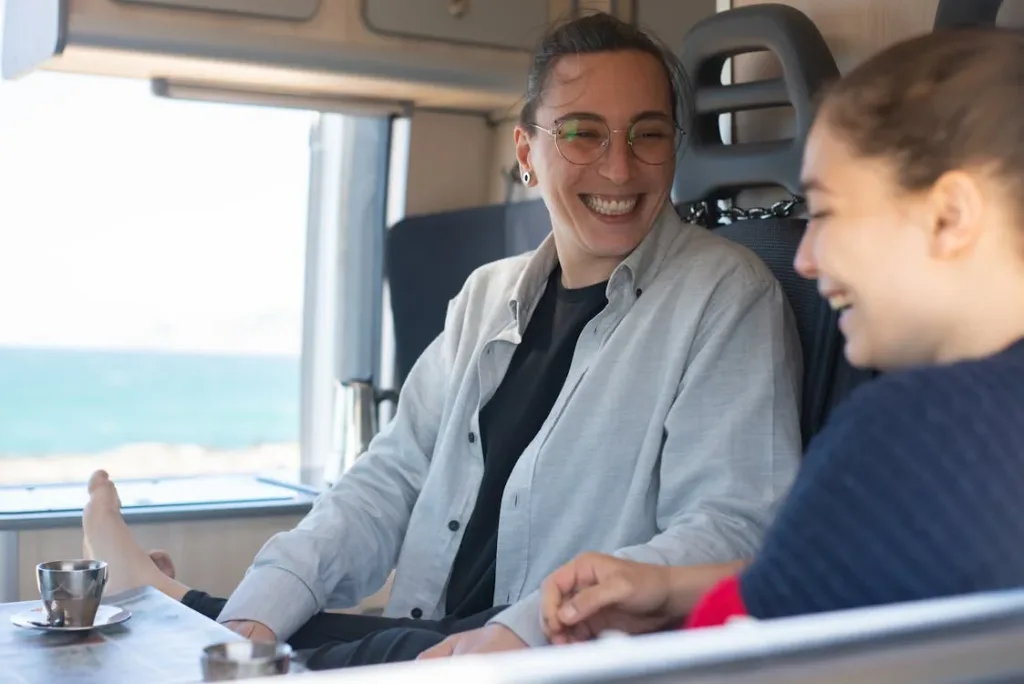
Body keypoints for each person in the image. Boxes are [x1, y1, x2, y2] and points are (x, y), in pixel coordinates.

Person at [80, 11, 803, 669]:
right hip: (441, 635)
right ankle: (189, 609)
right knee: (293, 643)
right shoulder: (486, 297)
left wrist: (523, 632)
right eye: (583, 131)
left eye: (646, 134)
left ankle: (166, 600)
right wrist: (260, 608)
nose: (619, 167)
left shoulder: (727, 296)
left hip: (564, 652)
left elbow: (733, 529)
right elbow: (386, 480)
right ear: (526, 152)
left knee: (356, 655)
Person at [539, 26, 1024, 645]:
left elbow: (752, 644)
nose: (805, 259)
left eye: (822, 213)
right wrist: (668, 588)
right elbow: (847, 583)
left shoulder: (915, 431)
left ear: (949, 217)